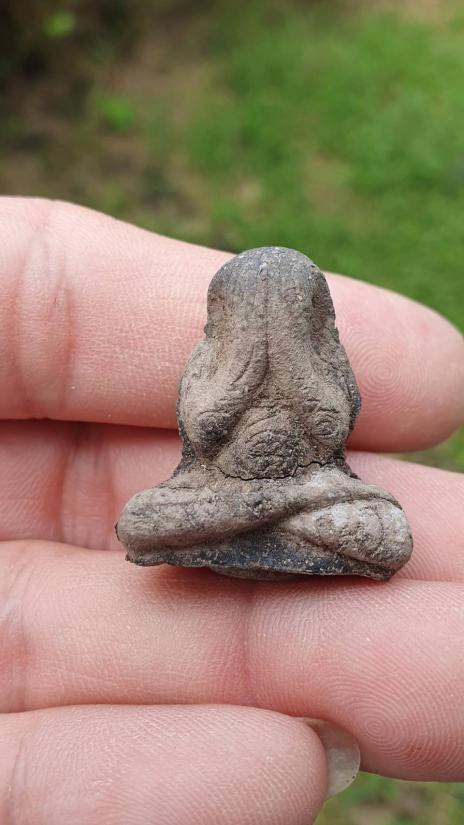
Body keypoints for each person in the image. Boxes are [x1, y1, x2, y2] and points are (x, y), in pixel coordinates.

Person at [0, 196, 463, 825]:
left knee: (386, 535)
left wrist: (286, 478)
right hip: (228, 491)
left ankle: (253, 520)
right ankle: (267, 514)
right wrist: (281, 496)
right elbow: (202, 436)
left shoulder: (324, 361)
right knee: (142, 523)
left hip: (318, 490)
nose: (268, 308)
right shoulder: (212, 362)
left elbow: (330, 431)